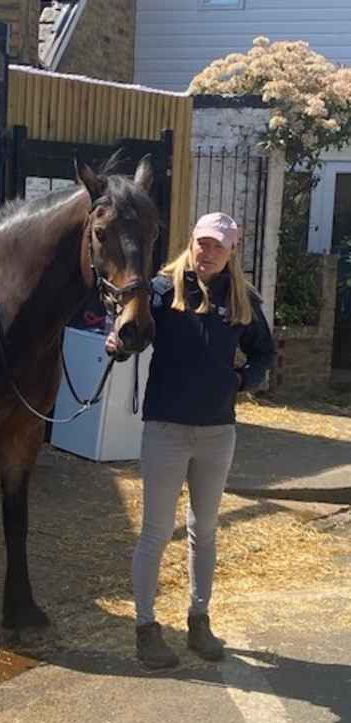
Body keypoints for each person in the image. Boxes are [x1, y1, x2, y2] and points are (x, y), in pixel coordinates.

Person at [107, 211, 275, 670]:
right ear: (192, 242)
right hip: (166, 429)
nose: (208, 252)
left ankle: (199, 620)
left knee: (205, 531)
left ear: (232, 250)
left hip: (218, 431)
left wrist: (245, 381)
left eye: (218, 245)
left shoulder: (242, 298)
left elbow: (264, 350)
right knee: (156, 533)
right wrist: (119, 344)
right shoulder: (162, 290)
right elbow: (134, 335)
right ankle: (146, 627)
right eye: (202, 242)